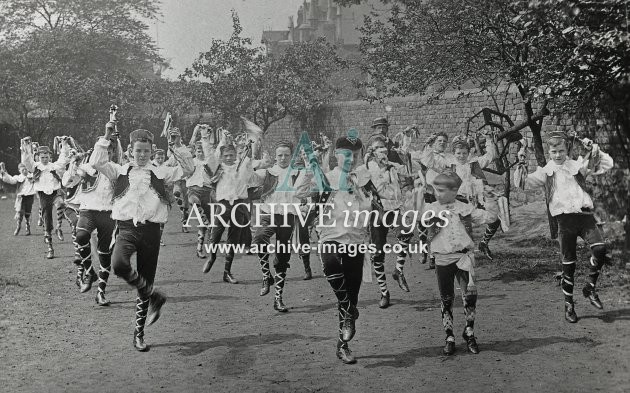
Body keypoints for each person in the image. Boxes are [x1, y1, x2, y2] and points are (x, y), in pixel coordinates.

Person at [92, 122, 194, 351]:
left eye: (146, 151)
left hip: (151, 232)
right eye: (138, 150)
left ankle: (139, 334)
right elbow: (97, 162)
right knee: (118, 264)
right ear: (130, 151)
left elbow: (188, 170)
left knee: (145, 280)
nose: (142, 155)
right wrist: (105, 138)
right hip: (127, 229)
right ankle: (154, 295)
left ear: (152, 151)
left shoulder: (160, 172)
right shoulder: (119, 170)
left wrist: (178, 146)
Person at [514, 131, 614, 323]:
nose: (558, 155)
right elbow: (522, 184)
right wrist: (521, 160)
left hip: (585, 216)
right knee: (569, 264)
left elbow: (605, 164)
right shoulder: (545, 172)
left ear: (566, 149)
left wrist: (591, 148)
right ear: (549, 152)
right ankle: (569, 306)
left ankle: (590, 287)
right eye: (554, 151)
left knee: (600, 248)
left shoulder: (576, 165)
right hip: (565, 221)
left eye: (561, 150)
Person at [297, 134, 372, 364]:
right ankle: (349, 310)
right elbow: (299, 193)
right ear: (337, 155)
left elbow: (375, 203)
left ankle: (343, 345)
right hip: (330, 236)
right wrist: (309, 169)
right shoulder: (326, 177)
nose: (350, 159)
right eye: (346, 155)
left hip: (355, 241)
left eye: (355, 155)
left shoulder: (363, 178)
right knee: (329, 264)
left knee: (350, 293)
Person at [424, 171, 499, 355]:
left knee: (470, 296)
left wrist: (490, 200)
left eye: (442, 190)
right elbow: (412, 217)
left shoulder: (465, 208)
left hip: (464, 257)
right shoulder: (431, 208)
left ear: (454, 190)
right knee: (447, 298)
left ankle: (469, 332)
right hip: (443, 259)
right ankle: (449, 336)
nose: (438, 193)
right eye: (436, 190)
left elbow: (490, 218)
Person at [249, 140, 307, 312]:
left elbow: (310, 180)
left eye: (286, 155)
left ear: (291, 156)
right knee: (259, 237)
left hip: (288, 216)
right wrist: (254, 160)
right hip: (268, 213)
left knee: (282, 257)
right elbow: (249, 179)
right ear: (275, 157)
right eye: (280, 155)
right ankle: (266, 275)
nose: (283, 158)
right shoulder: (268, 172)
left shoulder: (298, 173)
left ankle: (278, 298)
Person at [62, 140, 121, 305]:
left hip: (108, 214)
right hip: (88, 210)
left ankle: (101, 292)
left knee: (104, 254)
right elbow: (66, 182)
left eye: (110, 152)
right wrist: (74, 163)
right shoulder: (88, 167)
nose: (107, 155)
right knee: (81, 235)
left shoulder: (116, 169)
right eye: (104, 152)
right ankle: (89, 270)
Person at [362, 135, 415, 308]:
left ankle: (398, 270)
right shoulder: (368, 168)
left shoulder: (393, 167)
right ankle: (384, 292)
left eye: (384, 147)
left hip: (395, 208)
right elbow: (362, 183)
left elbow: (409, 173)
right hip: (378, 210)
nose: (383, 150)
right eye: (378, 148)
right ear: (373, 152)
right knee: (378, 253)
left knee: (406, 232)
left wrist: (405, 156)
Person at [201, 132, 252, 285]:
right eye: (226, 155)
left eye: (232, 155)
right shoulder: (217, 168)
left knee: (233, 239)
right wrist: (208, 138)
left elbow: (249, 156)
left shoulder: (242, 166)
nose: (229, 158)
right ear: (222, 157)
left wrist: (249, 143)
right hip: (223, 205)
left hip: (238, 205)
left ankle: (227, 272)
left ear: (236, 155)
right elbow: (210, 154)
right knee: (215, 234)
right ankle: (212, 257)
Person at [21, 140, 70, 259]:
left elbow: (63, 159)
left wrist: (64, 145)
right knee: (47, 219)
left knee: (61, 204)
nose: (44, 159)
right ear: (38, 157)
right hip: (43, 195)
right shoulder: (35, 167)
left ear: (50, 156)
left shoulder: (53, 166)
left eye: (46, 157)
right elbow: (27, 161)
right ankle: (50, 247)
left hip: (56, 192)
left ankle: (59, 227)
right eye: (42, 157)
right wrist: (27, 147)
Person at [1, 162, 36, 236]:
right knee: (20, 212)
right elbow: (10, 180)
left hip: (30, 196)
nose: (24, 171)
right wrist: (4, 172)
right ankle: (18, 226)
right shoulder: (18, 177)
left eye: (26, 169)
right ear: (19, 170)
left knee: (28, 213)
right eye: (22, 170)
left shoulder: (32, 176)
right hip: (21, 197)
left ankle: (27, 227)